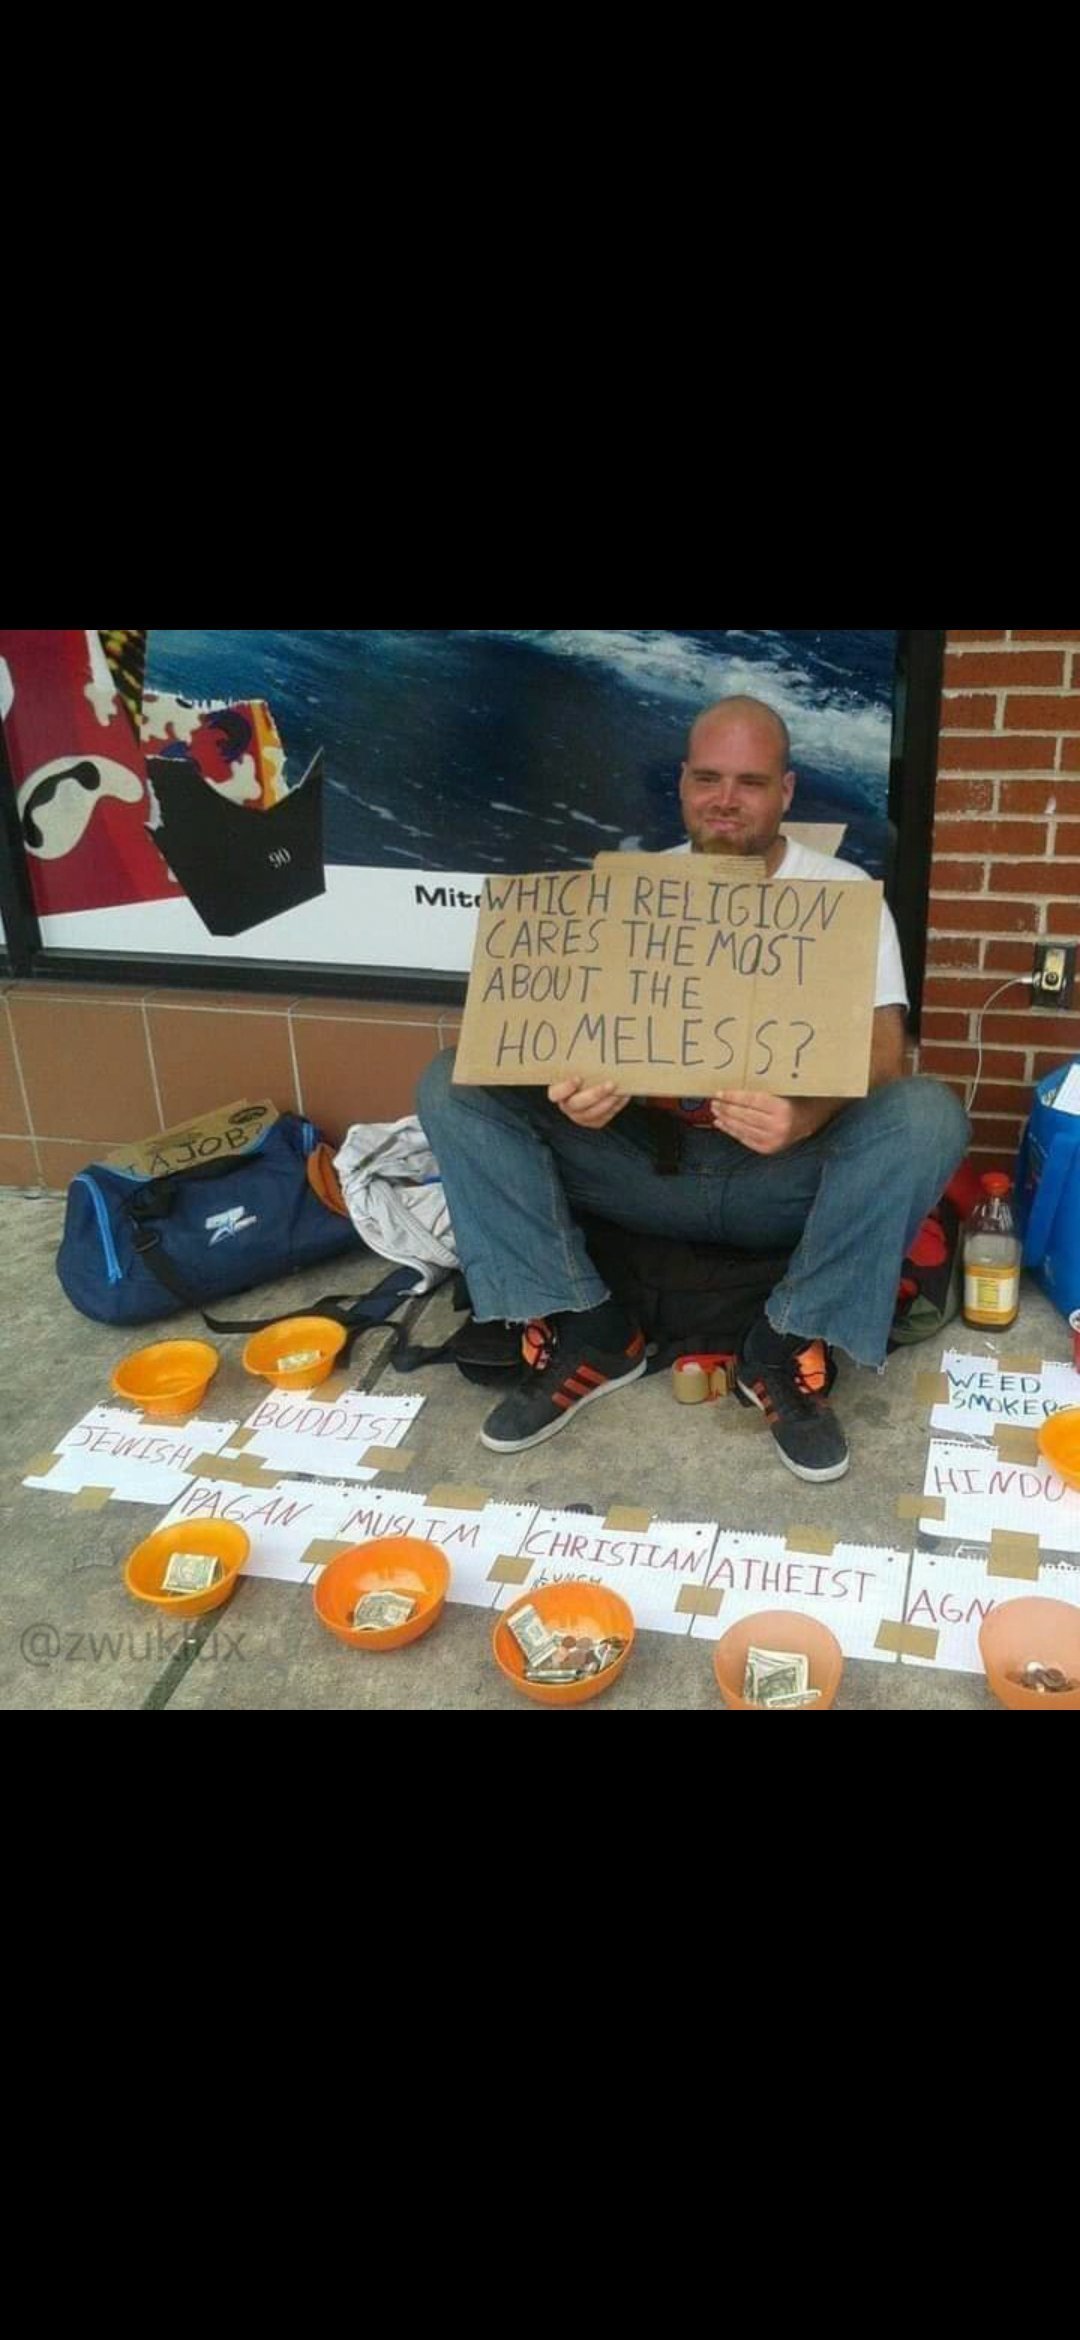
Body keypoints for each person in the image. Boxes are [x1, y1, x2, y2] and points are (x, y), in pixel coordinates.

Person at [418, 697, 969, 1482]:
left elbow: (886, 1056)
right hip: (644, 1168)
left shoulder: (843, 895)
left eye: (750, 782)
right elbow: (559, 1038)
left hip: (779, 1177)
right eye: (708, 778)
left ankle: (782, 1343)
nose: (725, 799)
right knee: (451, 1084)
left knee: (928, 1114)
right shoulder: (631, 891)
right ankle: (588, 1326)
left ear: (785, 791)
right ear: (682, 784)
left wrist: (805, 1117)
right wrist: (574, 1089)